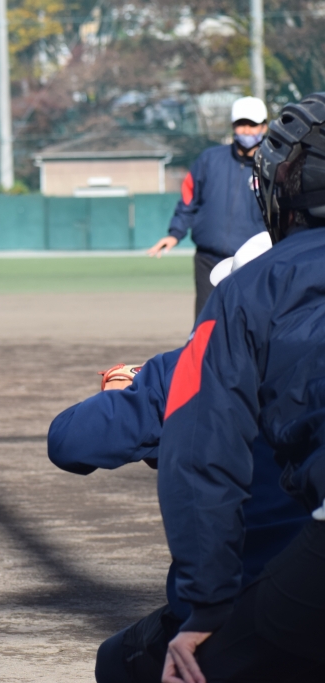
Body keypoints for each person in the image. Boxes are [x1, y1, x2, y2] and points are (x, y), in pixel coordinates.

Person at [156, 93, 325, 683]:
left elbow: (203, 454)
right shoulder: (210, 163)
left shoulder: (250, 290)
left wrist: (208, 603)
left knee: (136, 662)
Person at [47, 338, 307, 682]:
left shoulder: (210, 360)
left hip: (256, 617)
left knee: (116, 661)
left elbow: (71, 441)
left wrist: (125, 386)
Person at [147, 97, 269, 318]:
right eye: (242, 124)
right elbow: (188, 199)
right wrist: (175, 233)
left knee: (249, 323)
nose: (247, 130)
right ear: (233, 126)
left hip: (253, 262)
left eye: (253, 125)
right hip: (208, 260)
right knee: (206, 324)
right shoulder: (209, 159)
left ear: (264, 126)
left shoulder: (273, 165)